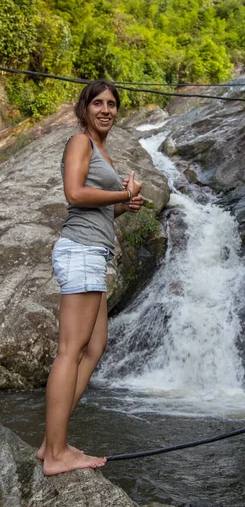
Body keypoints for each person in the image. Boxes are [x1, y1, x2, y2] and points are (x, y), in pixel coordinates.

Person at [37, 80, 143, 475]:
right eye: (97, 102)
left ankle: (51, 442)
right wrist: (120, 194)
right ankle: (57, 453)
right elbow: (75, 194)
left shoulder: (104, 152)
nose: (106, 109)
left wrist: (124, 205)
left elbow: (98, 208)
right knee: (71, 349)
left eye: (112, 104)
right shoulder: (80, 142)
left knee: (95, 346)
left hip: (94, 253)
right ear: (85, 109)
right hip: (79, 250)